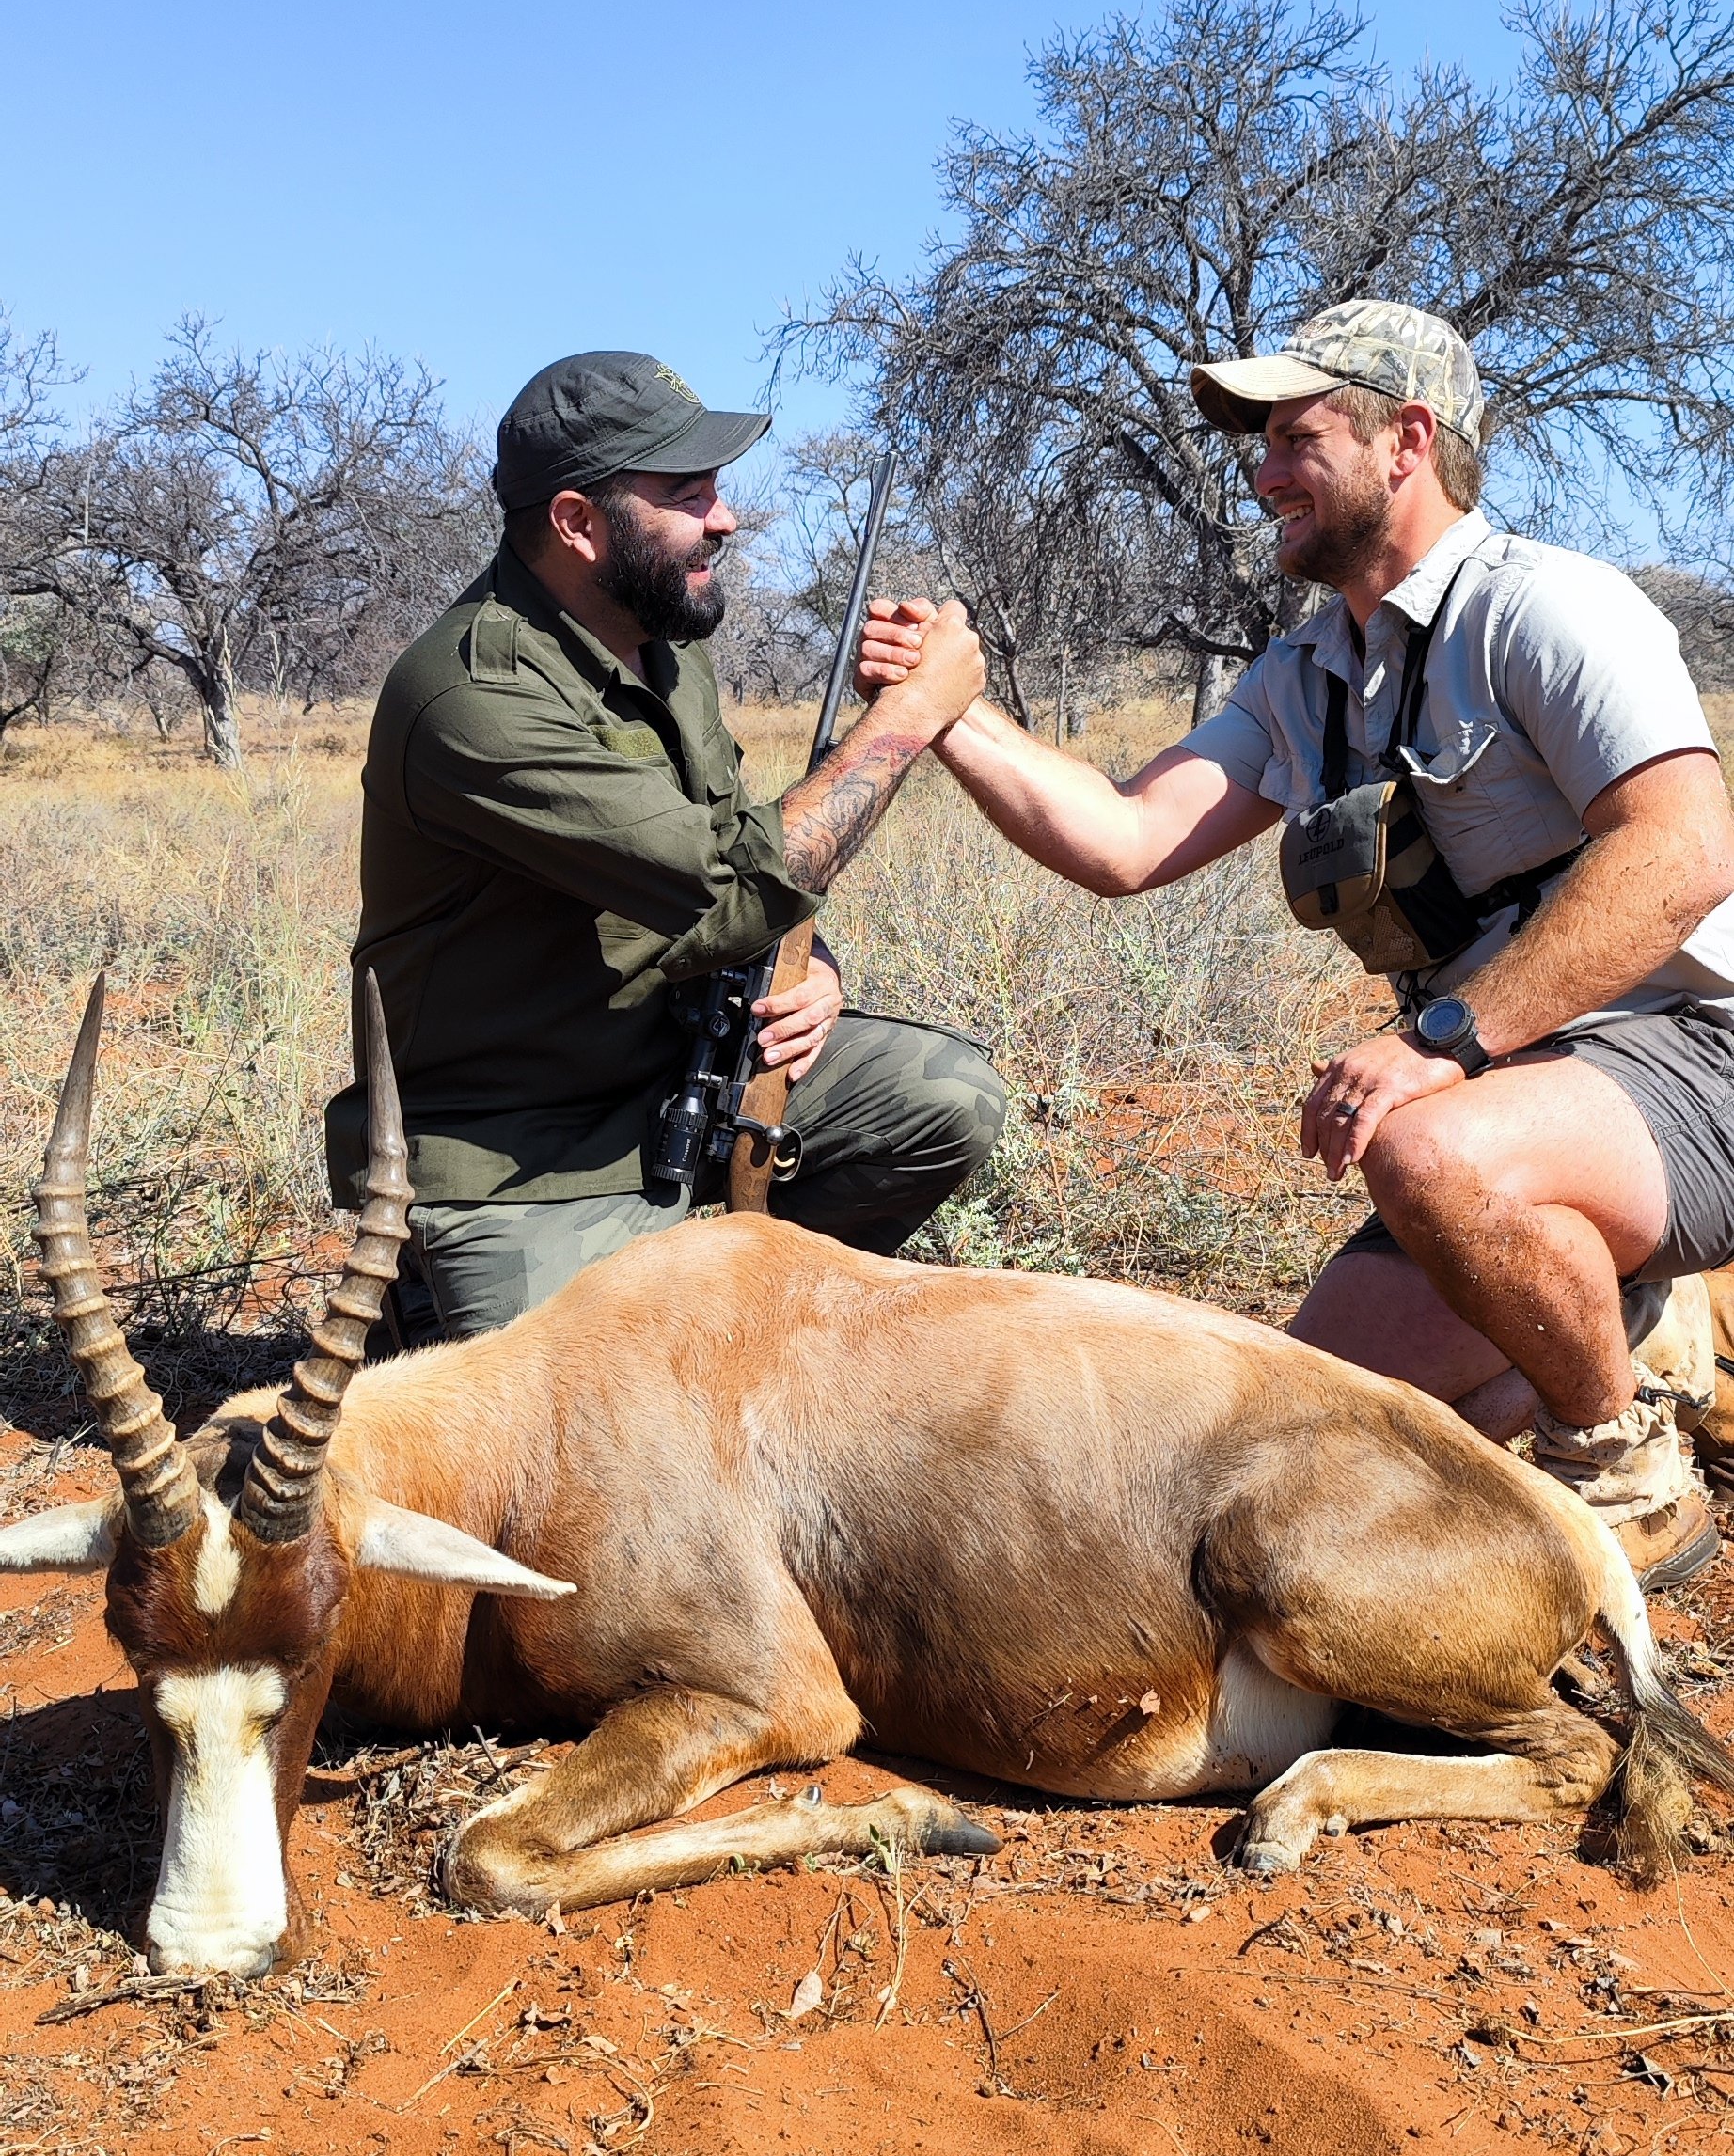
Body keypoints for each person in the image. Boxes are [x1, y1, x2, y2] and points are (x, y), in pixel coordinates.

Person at [857, 299, 1734, 1585]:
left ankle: (1623, 1466)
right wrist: (952, 712)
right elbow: (1121, 840)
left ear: (1408, 442)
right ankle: (1634, 1340)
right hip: (1508, 1097)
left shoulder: (1549, 608)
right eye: (1259, 445)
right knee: (1309, 1429)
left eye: (1295, 439)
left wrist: (1441, 1040)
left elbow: (1682, 852)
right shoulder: (1307, 670)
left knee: (1422, 1148)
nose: (1263, 474)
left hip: (1689, 1059)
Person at [328, 351, 1006, 1335]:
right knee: (559, 1464)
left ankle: (759, 1326)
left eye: (716, 490)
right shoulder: (472, 694)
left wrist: (813, 968)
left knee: (946, 1099)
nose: (723, 520)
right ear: (577, 523)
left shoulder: (665, 645)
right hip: (518, 1157)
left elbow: (743, 867)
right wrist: (906, 721)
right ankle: (446, 1289)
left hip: (680, 1085)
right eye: (686, 495)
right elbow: (728, 886)